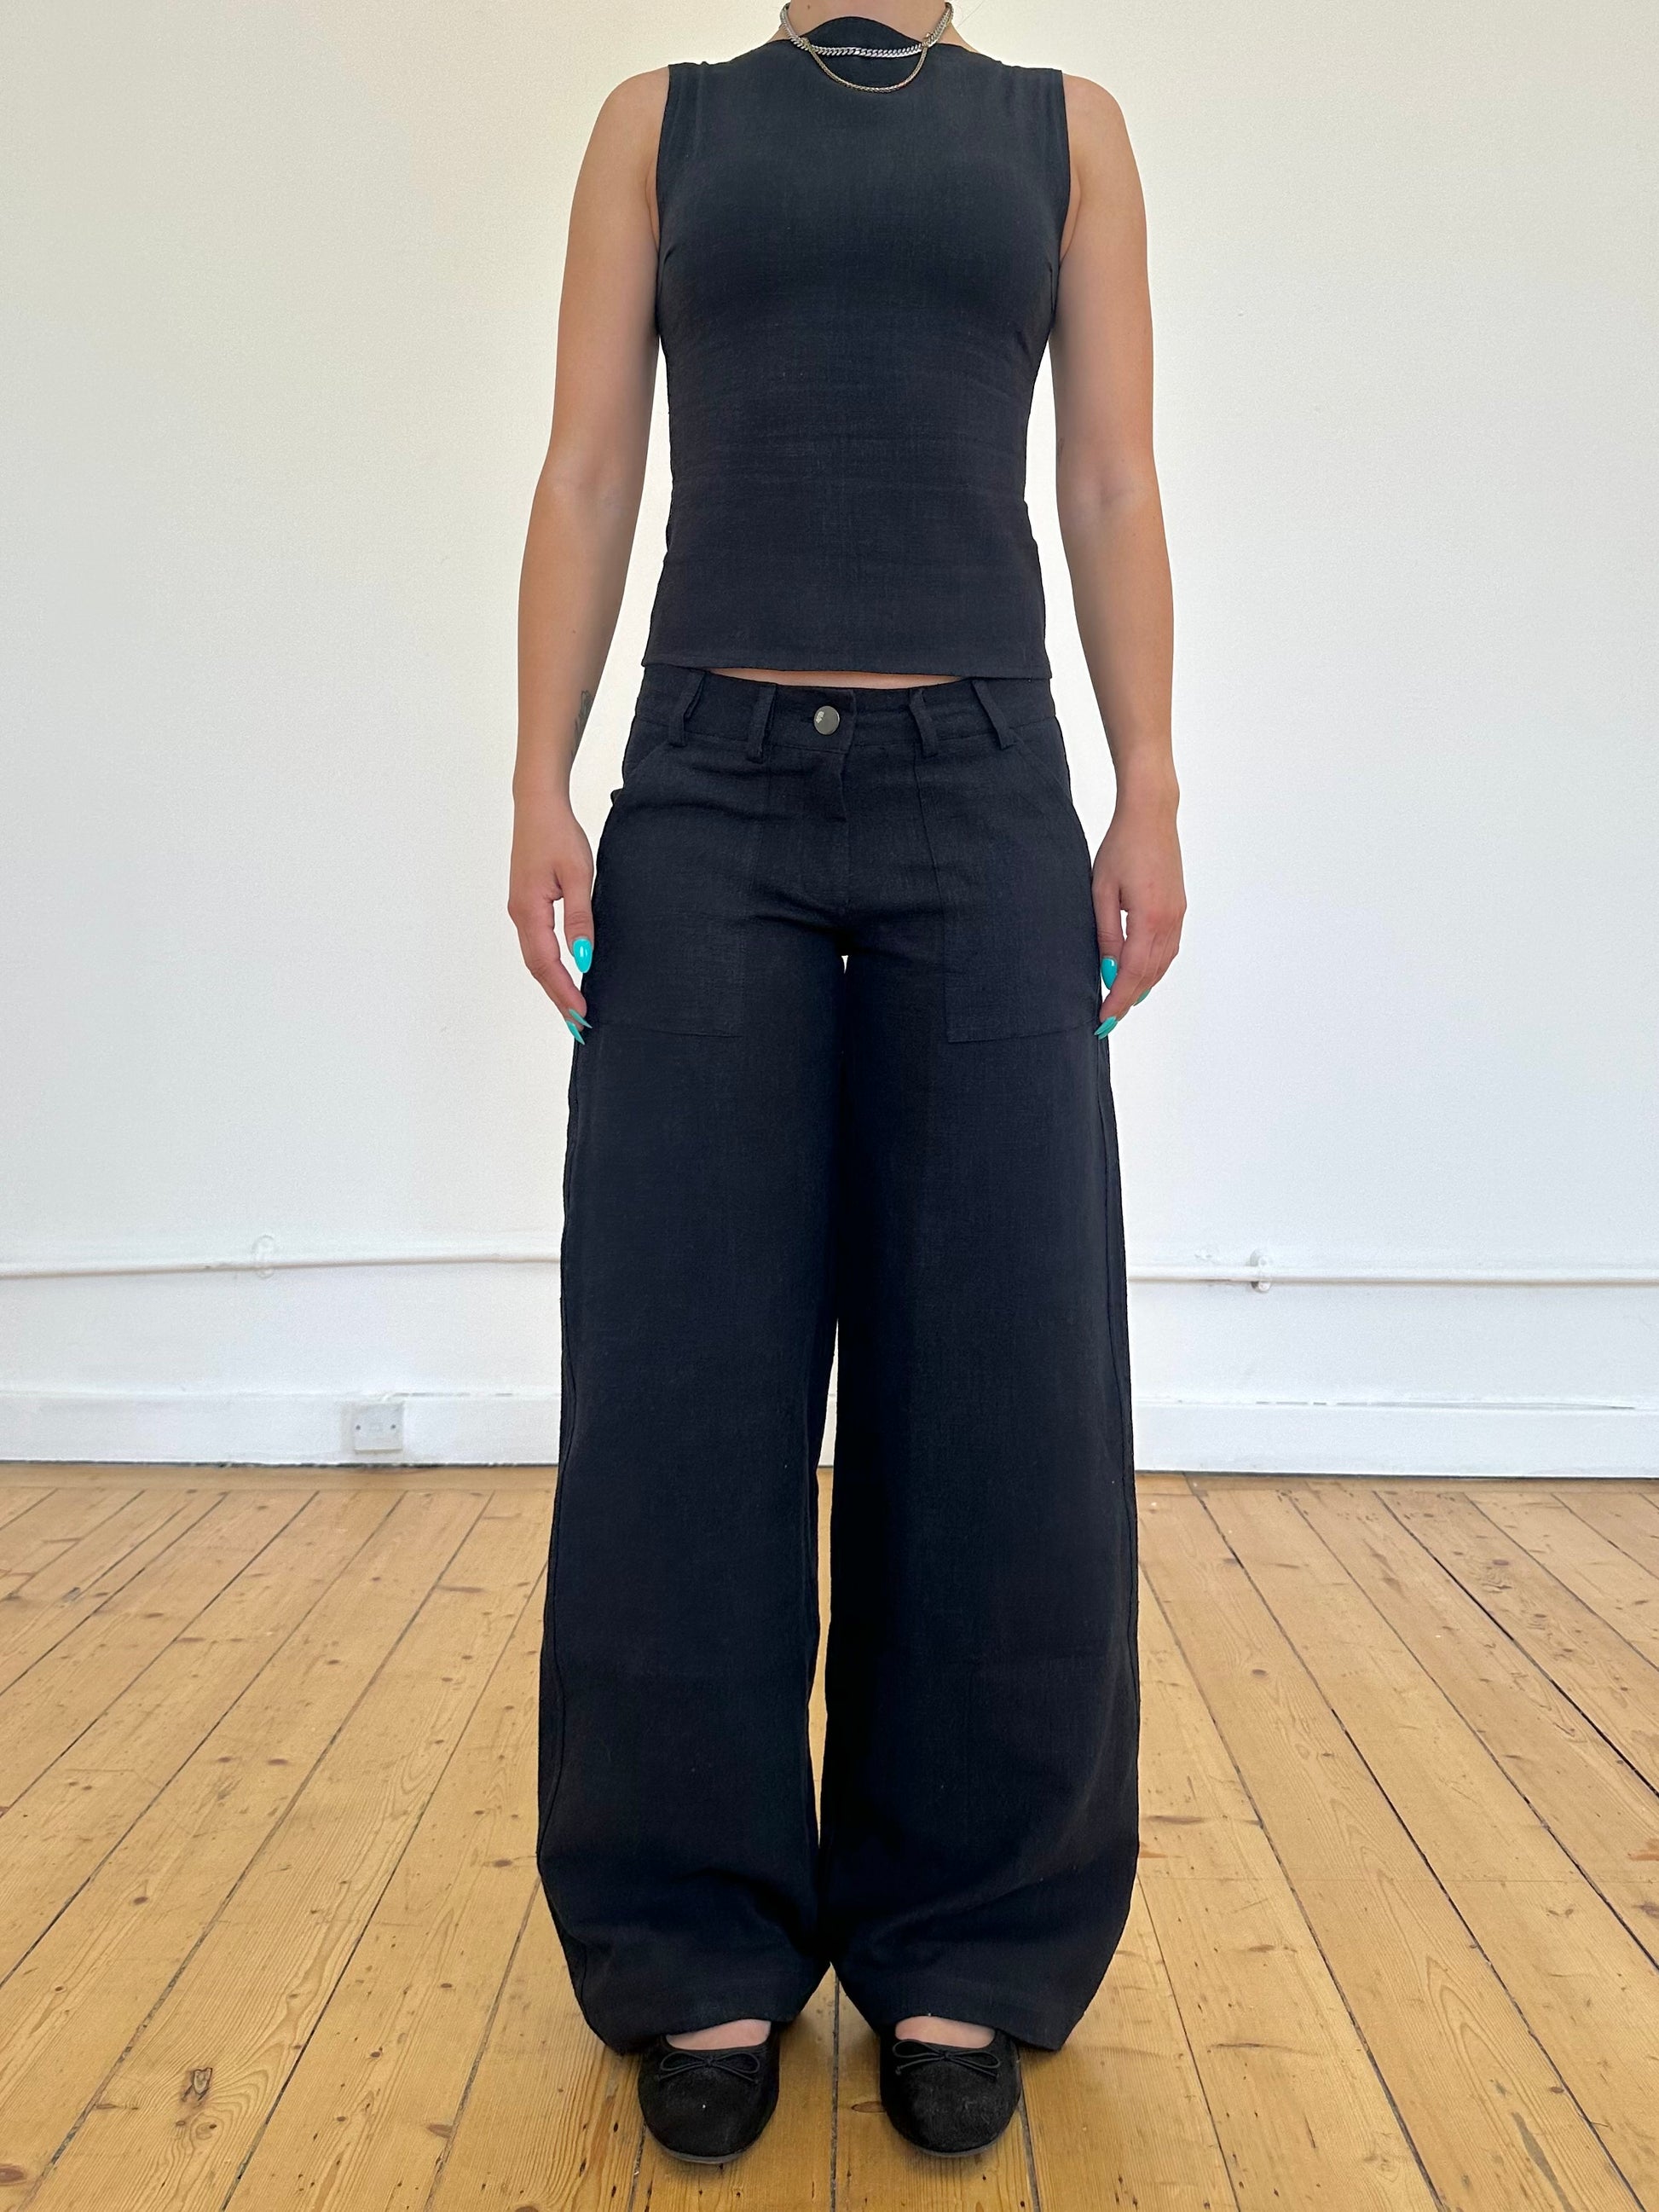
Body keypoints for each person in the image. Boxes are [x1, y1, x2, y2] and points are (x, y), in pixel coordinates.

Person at [509, 0, 1183, 2166]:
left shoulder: (1065, 134)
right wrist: (538, 775)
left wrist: (1148, 781)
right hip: (704, 793)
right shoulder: (663, 126)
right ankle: (692, 1939)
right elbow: (589, 467)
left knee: (995, 1374)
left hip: (981, 793)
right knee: (679, 1374)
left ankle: (960, 1940)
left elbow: (1107, 477)